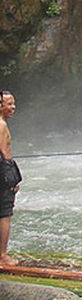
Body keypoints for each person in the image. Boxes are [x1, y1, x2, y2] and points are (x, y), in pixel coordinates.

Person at [0, 90, 21, 266]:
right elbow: (5, 155)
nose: (13, 107)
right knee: (5, 214)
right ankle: (2, 256)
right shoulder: (1, 125)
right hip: (2, 173)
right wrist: (12, 179)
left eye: (13, 103)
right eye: (9, 104)